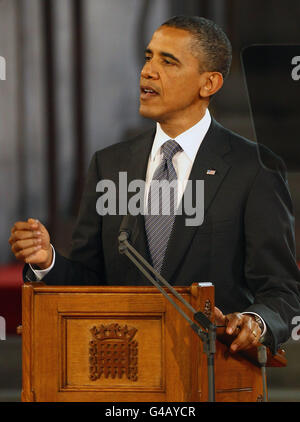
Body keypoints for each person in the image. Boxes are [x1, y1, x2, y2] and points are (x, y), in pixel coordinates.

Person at [9, 16, 300, 355]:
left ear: (209, 83)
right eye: (148, 57)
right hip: (122, 370)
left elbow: (282, 291)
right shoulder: (110, 164)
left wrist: (255, 321)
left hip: (214, 371)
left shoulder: (254, 168)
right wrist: (48, 261)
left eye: (168, 61)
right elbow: (91, 280)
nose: (147, 71)